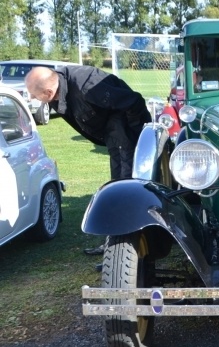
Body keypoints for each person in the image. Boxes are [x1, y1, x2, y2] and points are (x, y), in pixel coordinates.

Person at [25, 65, 151, 255]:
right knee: (116, 186)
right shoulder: (60, 89)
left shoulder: (88, 87)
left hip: (124, 131)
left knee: (124, 189)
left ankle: (125, 247)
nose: (32, 98)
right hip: (113, 136)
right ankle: (117, 242)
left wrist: (133, 137)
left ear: (48, 92)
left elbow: (133, 101)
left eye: (34, 95)